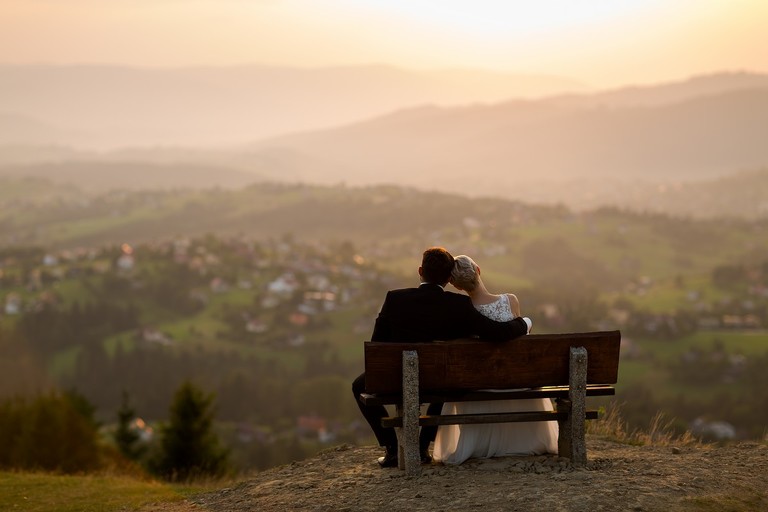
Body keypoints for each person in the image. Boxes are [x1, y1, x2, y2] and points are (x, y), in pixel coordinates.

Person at [352, 247, 531, 468]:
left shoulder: (395, 299)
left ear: (420, 271)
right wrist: (525, 323)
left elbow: (376, 345)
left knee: (357, 385)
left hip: (394, 379)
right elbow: (497, 333)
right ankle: (421, 447)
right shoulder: (458, 305)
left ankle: (391, 448)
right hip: (438, 383)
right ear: (448, 279)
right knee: (446, 382)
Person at [432, 254, 558, 465]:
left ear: (456, 286)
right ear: (478, 270)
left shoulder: (462, 311)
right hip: (518, 385)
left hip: (480, 388)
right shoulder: (511, 301)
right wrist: (526, 322)